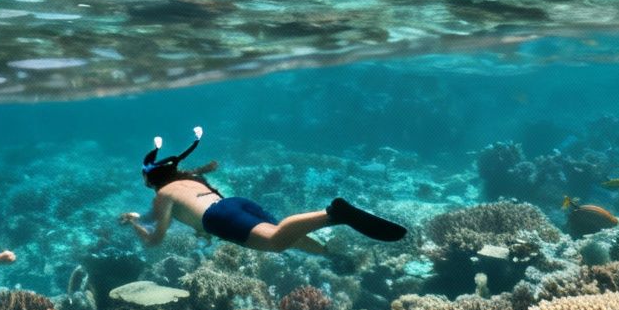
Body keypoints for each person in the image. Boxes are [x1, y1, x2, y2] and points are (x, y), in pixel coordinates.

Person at [121, 127, 408, 253]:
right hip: (234, 204)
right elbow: (190, 212)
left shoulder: (163, 194)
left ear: (152, 180)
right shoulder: (193, 181)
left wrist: (134, 223)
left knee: (275, 241)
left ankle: (333, 215)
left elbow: (155, 237)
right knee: (284, 233)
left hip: (220, 217)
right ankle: (330, 253)